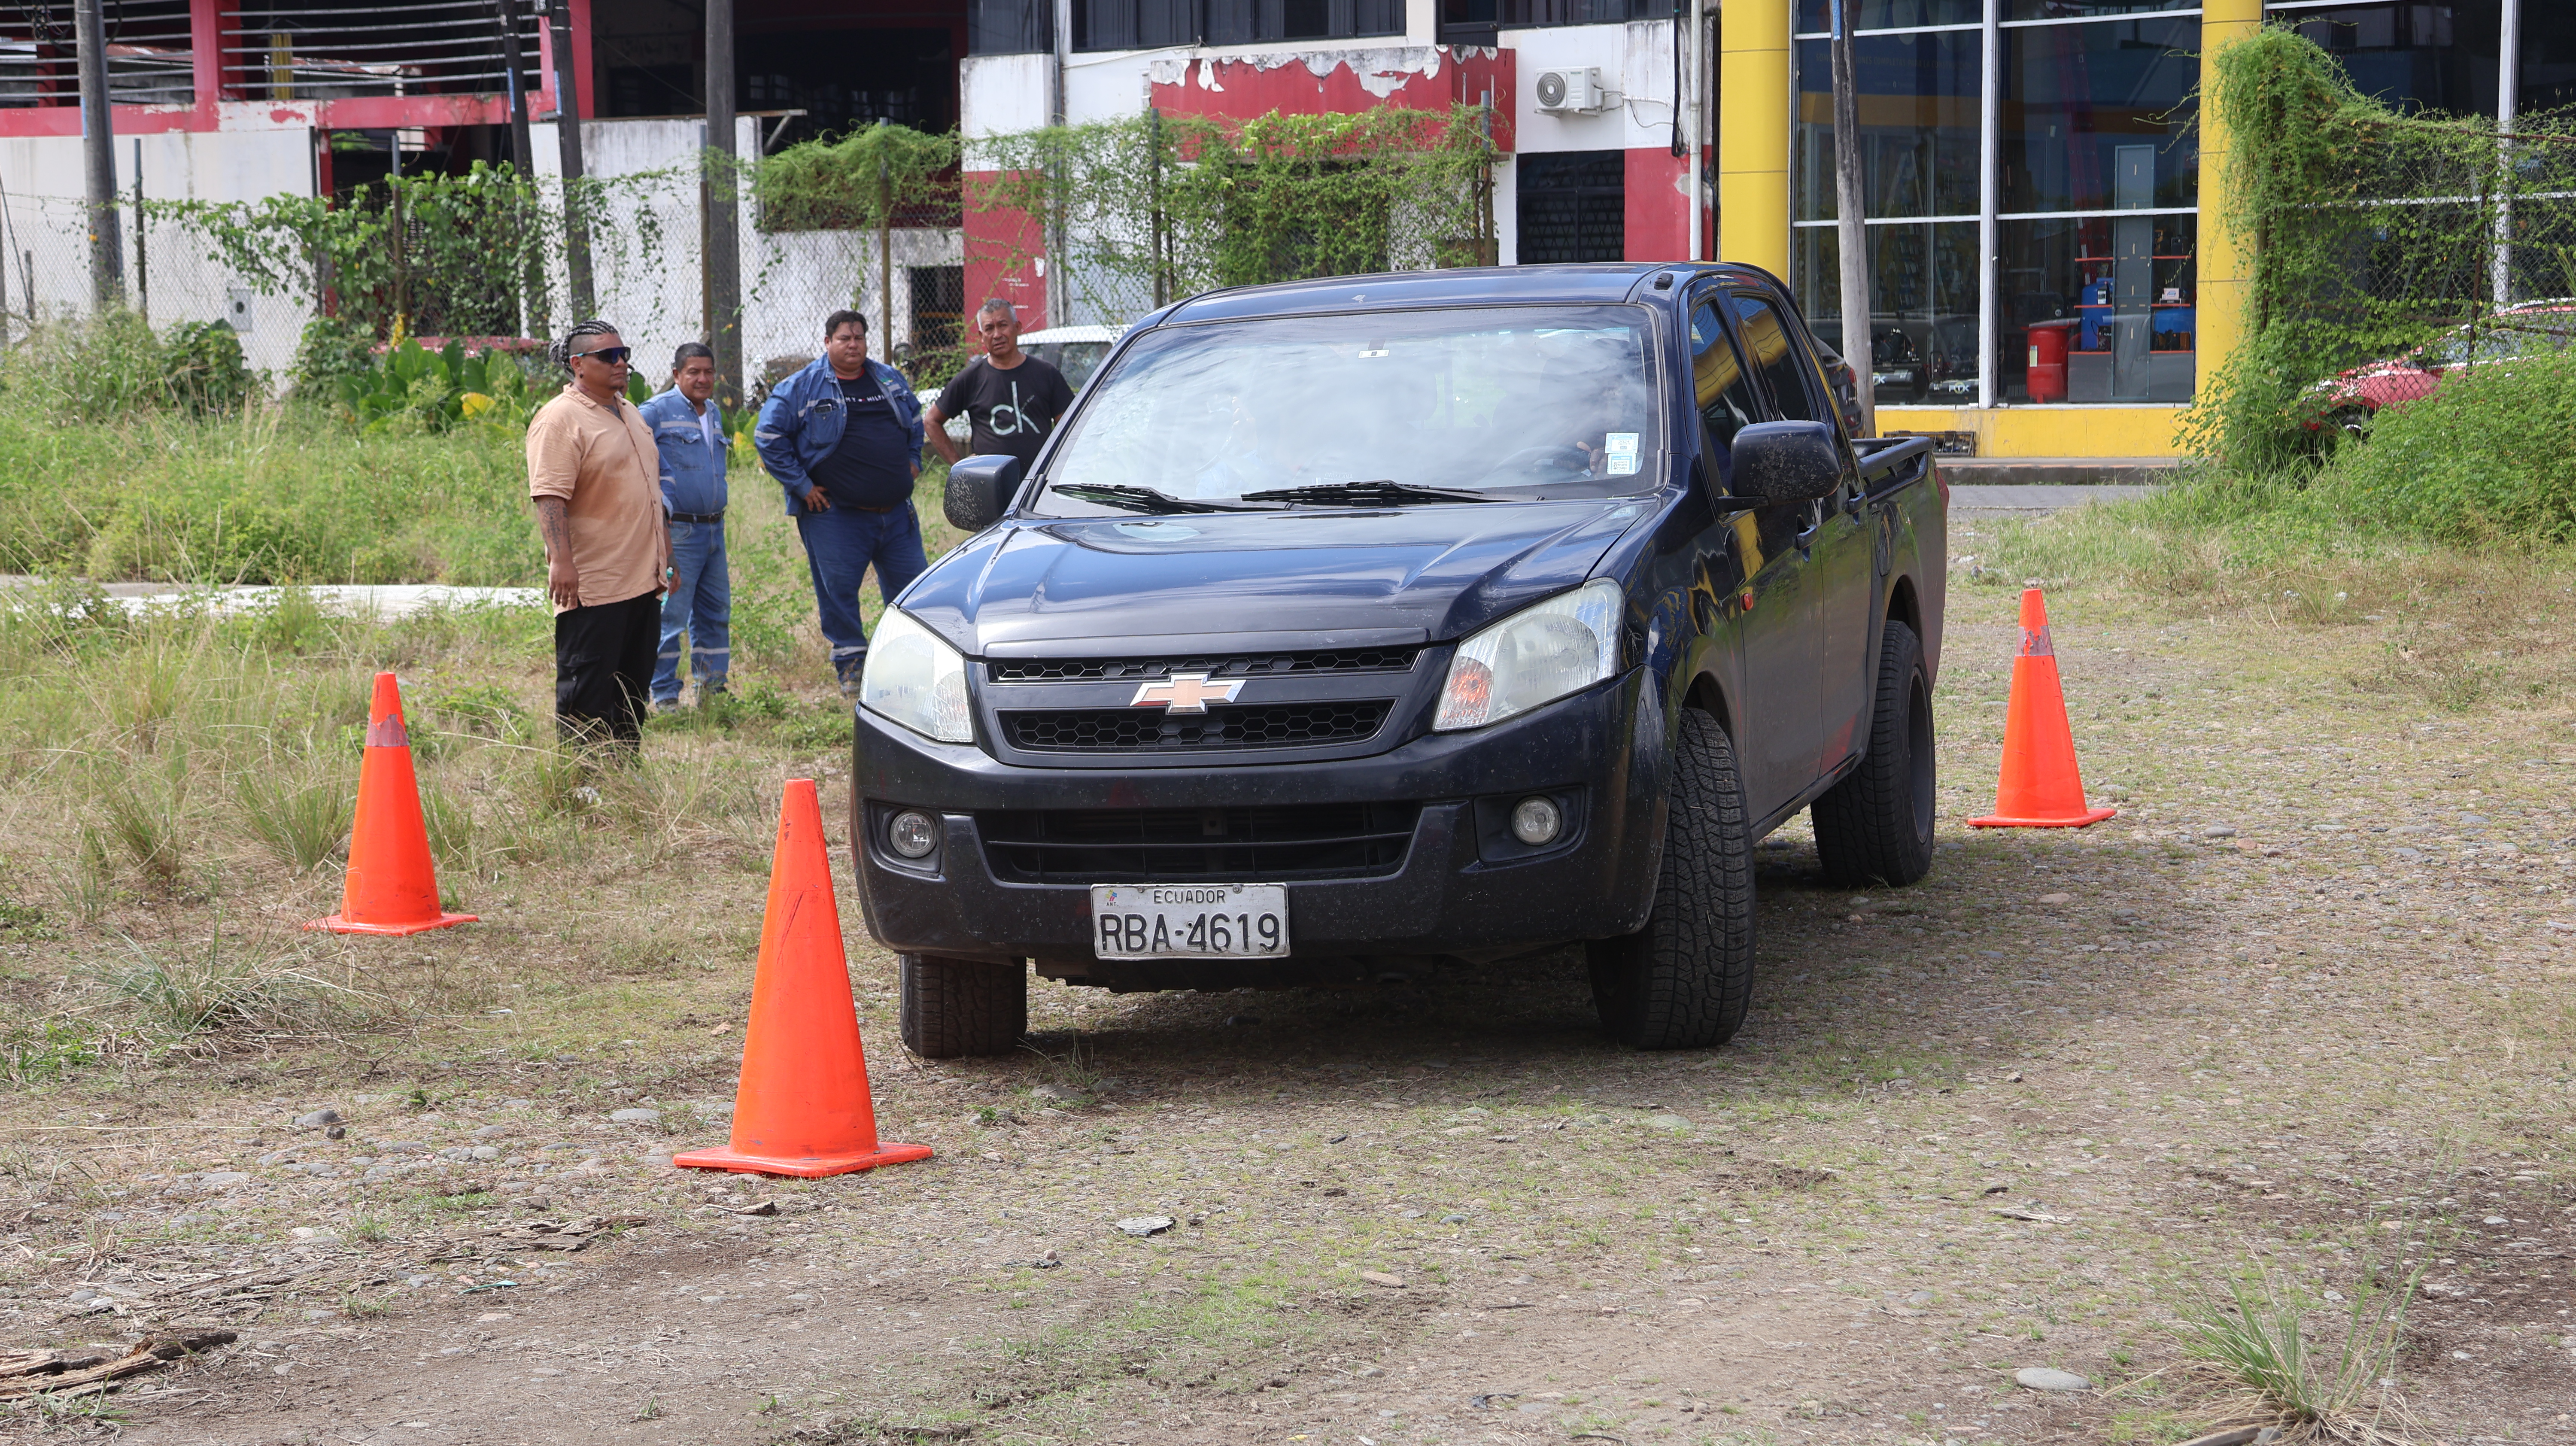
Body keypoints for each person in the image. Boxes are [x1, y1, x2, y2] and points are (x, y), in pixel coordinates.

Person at [753, 309, 928, 700]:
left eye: (859, 338)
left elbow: (916, 418)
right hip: (836, 517)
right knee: (840, 594)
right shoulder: (803, 387)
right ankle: (852, 669)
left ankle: (907, 667)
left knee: (914, 591)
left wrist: (913, 461)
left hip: (897, 513)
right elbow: (768, 436)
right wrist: (802, 485)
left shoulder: (886, 379)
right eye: (845, 339)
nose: (853, 345)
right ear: (827, 342)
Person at [527, 319, 671, 754]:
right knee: (587, 687)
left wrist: (668, 554)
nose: (621, 363)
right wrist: (562, 561)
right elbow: (550, 497)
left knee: (631, 686)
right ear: (577, 365)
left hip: (642, 579)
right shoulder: (560, 419)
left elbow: (652, 489)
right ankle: (583, 780)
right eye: (608, 356)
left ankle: (624, 771)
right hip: (594, 583)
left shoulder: (628, 411)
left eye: (623, 353)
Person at [639, 343, 730, 711]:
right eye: (693, 372)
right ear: (677, 374)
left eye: (708, 372)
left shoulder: (713, 413)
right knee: (670, 616)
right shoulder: (655, 412)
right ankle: (664, 696)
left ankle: (712, 691)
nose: (703, 379)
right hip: (678, 532)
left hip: (714, 531)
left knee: (715, 613)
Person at [924, 298, 1074, 474]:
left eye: (1003, 325)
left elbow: (1070, 426)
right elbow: (931, 421)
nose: (997, 335)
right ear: (981, 337)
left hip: (1038, 483)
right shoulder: (971, 378)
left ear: (1018, 328)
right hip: (989, 488)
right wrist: (961, 468)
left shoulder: (1046, 374)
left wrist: (1060, 465)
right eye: (989, 329)